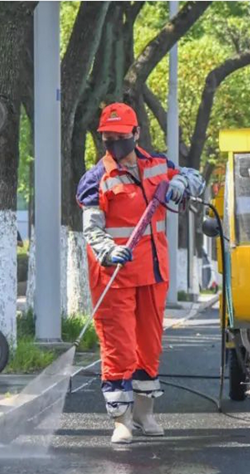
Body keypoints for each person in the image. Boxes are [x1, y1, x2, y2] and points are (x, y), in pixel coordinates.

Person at [75, 103, 205, 444]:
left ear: (136, 135)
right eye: (107, 139)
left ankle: (146, 413)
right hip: (114, 276)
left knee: (149, 347)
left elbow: (196, 178)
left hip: (153, 273)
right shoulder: (96, 178)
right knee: (119, 348)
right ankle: (121, 420)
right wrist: (107, 250)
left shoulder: (158, 166)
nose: (114, 145)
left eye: (119, 137)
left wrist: (182, 184)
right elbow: (92, 227)